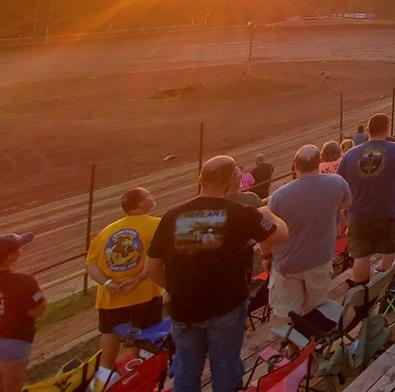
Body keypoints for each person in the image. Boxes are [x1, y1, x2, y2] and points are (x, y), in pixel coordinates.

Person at [148, 156, 288, 392]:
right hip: (226, 305)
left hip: (184, 308)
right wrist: (268, 213)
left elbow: (151, 269)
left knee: (185, 370)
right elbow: (281, 235)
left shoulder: (172, 216)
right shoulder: (240, 212)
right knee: (225, 367)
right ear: (232, 180)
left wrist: (174, 289)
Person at [84, 188, 163, 384]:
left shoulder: (106, 231)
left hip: (111, 297)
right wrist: (138, 279)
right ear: (141, 204)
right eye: (149, 195)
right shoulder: (157, 224)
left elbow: (90, 264)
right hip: (145, 293)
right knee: (146, 334)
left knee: (110, 334)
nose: (153, 197)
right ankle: (142, 371)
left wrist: (108, 283)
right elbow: (157, 260)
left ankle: (104, 378)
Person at [267, 145, 350, 321]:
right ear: (319, 162)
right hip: (320, 260)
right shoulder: (337, 182)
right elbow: (345, 204)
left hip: (287, 264)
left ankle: (292, 347)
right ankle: (310, 344)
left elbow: (267, 231)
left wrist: (266, 257)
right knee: (316, 309)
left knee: (287, 314)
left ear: (295, 166)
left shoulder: (280, 195)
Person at [338, 113, 395, 287]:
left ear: (368, 130)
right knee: (390, 249)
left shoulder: (349, 155)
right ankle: (384, 284)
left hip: (358, 213)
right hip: (387, 210)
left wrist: (344, 212)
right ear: (387, 127)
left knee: (361, 256)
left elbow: (341, 185)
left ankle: (361, 292)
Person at [0, 233, 44, 392]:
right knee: (12, 388)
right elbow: (36, 311)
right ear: (11, 256)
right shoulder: (25, 281)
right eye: (19, 247)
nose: (21, 249)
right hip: (15, 340)